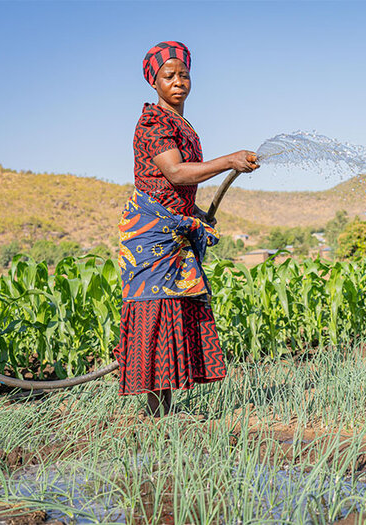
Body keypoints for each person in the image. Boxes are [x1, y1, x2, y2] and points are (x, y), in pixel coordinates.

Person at [115, 41, 259, 416]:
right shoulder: (153, 122)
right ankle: (156, 415)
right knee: (157, 312)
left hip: (173, 229)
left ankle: (164, 413)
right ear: (154, 81)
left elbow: (171, 186)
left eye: (183, 74)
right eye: (169, 75)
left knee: (174, 310)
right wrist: (229, 160)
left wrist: (195, 212)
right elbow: (175, 172)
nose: (178, 81)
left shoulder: (182, 125)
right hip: (152, 236)